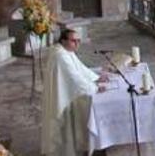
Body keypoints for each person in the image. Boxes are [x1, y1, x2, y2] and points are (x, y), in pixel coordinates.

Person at [41, 28, 109, 156]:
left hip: (68, 94)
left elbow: (80, 69)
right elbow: (74, 77)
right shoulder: (60, 55)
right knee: (64, 127)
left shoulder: (66, 51)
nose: (77, 44)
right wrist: (94, 88)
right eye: (73, 41)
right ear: (63, 40)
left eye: (78, 41)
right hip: (62, 98)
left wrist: (96, 77)